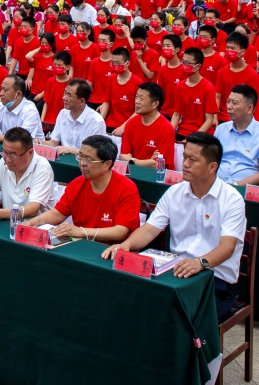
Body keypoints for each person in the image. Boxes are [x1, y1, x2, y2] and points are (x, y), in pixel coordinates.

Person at [103, 132, 247, 320]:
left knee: (177, 320)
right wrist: (127, 245)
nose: (185, 164)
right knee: (132, 303)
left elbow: (227, 248)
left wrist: (200, 263)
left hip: (214, 280)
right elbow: (149, 229)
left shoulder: (232, 199)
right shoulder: (175, 192)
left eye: (192, 160)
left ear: (212, 167)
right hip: (174, 273)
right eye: (185, 157)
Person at [26, 134, 140, 244]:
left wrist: (81, 231)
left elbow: (120, 232)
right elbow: (57, 214)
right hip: (81, 242)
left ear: (107, 164)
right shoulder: (77, 184)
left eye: (88, 159)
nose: (82, 163)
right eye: (80, 157)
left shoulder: (126, 188)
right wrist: (35, 221)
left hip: (112, 248)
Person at [0, 127, 55, 221]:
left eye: (13, 155)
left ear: (30, 153)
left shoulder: (43, 168)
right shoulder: (3, 163)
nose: (8, 159)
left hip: (36, 228)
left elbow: (32, 209)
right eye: (4, 152)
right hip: (10, 223)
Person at [214, 85, 259, 187]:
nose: (229, 106)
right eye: (228, 101)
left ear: (249, 108)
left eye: (234, 103)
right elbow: (211, 162)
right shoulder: (221, 129)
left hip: (247, 192)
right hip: (218, 187)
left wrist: (233, 186)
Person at [119, 81, 177, 168]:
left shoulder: (166, 128)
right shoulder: (131, 123)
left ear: (155, 104)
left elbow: (158, 164)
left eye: (141, 99)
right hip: (133, 175)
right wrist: (148, 162)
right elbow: (124, 157)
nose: (137, 101)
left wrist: (132, 161)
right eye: (136, 97)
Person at [45, 79, 107, 155]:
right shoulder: (63, 113)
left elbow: (96, 154)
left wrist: (71, 150)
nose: (64, 97)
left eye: (69, 95)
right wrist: (39, 143)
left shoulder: (96, 121)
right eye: (65, 93)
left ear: (81, 101)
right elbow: (53, 142)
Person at [0, 75, 44, 141]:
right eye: (1, 89)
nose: (1, 93)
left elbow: (21, 138)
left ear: (18, 94)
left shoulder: (30, 110)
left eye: (5, 90)